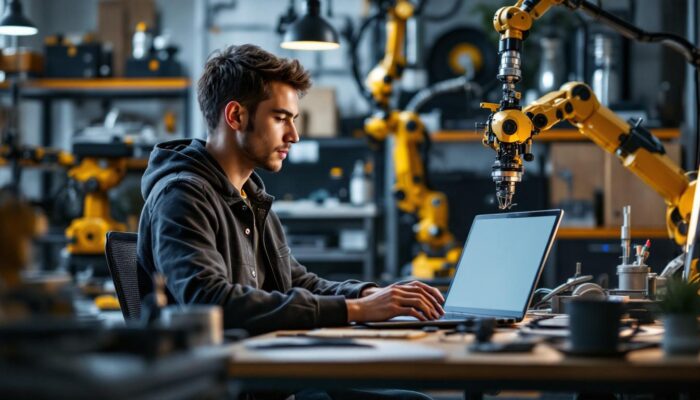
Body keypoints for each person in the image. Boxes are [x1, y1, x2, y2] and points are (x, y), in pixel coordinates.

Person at [136, 44, 444, 399]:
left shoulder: (249, 195)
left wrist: (367, 294)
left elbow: (295, 281)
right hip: (228, 386)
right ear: (236, 116)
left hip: (270, 378)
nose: (294, 135)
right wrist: (354, 309)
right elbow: (209, 300)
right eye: (281, 118)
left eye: (294, 120)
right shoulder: (182, 195)